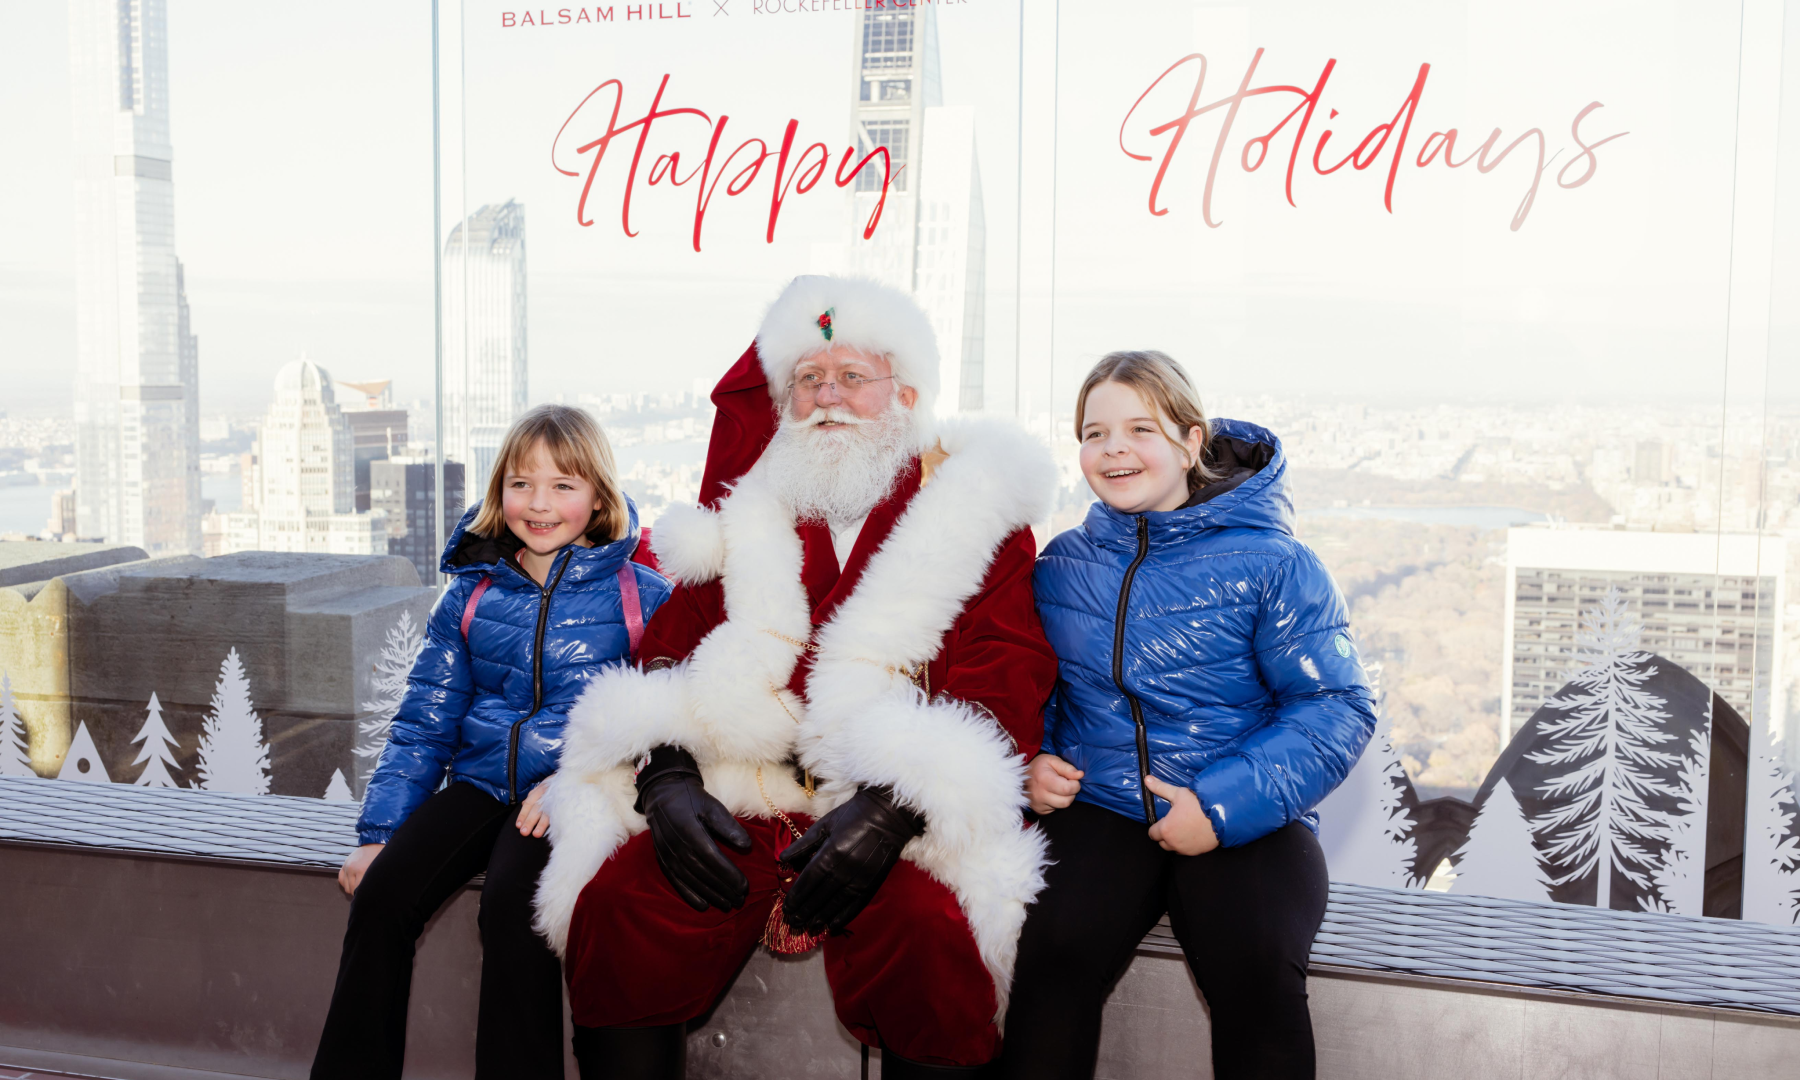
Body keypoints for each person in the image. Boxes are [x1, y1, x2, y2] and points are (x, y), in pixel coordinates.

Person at [531, 275, 1060, 1079]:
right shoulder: (753, 509)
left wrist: (892, 811)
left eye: (853, 376)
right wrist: (667, 773)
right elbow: (671, 644)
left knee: (927, 932)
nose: (828, 398)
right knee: (620, 908)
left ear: (906, 393)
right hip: (750, 787)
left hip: (887, 806)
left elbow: (1007, 677)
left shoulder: (973, 514)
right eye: (808, 380)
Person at [1001, 351, 1376, 1080]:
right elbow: (1035, 685)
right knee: (1052, 955)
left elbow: (1334, 706)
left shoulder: (1276, 563)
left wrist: (1221, 804)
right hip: (1104, 801)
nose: (1113, 448)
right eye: (1093, 432)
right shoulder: (1063, 564)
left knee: (1256, 963)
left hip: (1244, 806)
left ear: (1191, 441)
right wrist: (1034, 756)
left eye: (1140, 427)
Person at [311, 404, 671, 1080]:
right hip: (481, 784)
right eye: (521, 483)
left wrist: (580, 780)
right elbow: (426, 719)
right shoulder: (470, 595)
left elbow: (666, 721)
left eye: (563, 485)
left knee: (515, 910)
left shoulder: (641, 595)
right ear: (498, 491)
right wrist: (380, 830)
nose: (539, 504)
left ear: (598, 498)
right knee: (384, 895)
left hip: (568, 792)